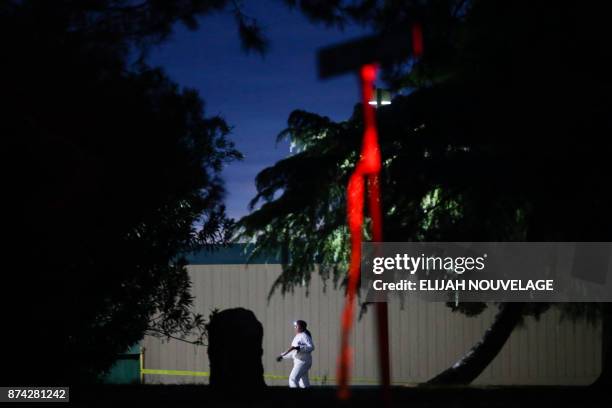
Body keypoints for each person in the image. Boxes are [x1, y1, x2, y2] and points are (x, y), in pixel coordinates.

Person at [276, 319, 315, 388]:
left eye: (296, 326)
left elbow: (311, 347)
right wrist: (282, 356)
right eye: (295, 326)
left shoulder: (304, 335)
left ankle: (294, 397)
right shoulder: (298, 336)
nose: (295, 328)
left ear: (301, 327)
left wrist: (300, 348)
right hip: (300, 361)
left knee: (292, 379)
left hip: (303, 361)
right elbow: (293, 351)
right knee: (304, 384)